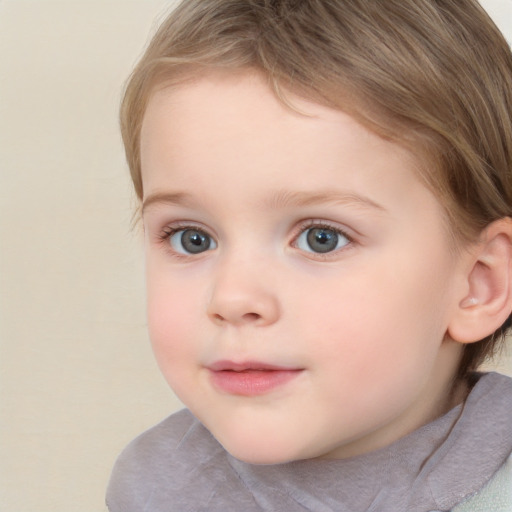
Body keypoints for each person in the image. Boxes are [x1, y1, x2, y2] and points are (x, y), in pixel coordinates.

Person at [106, 1, 512, 510]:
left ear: (478, 283)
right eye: (193, 238)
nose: (232, 297)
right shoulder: (158, 489)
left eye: (322, 237)